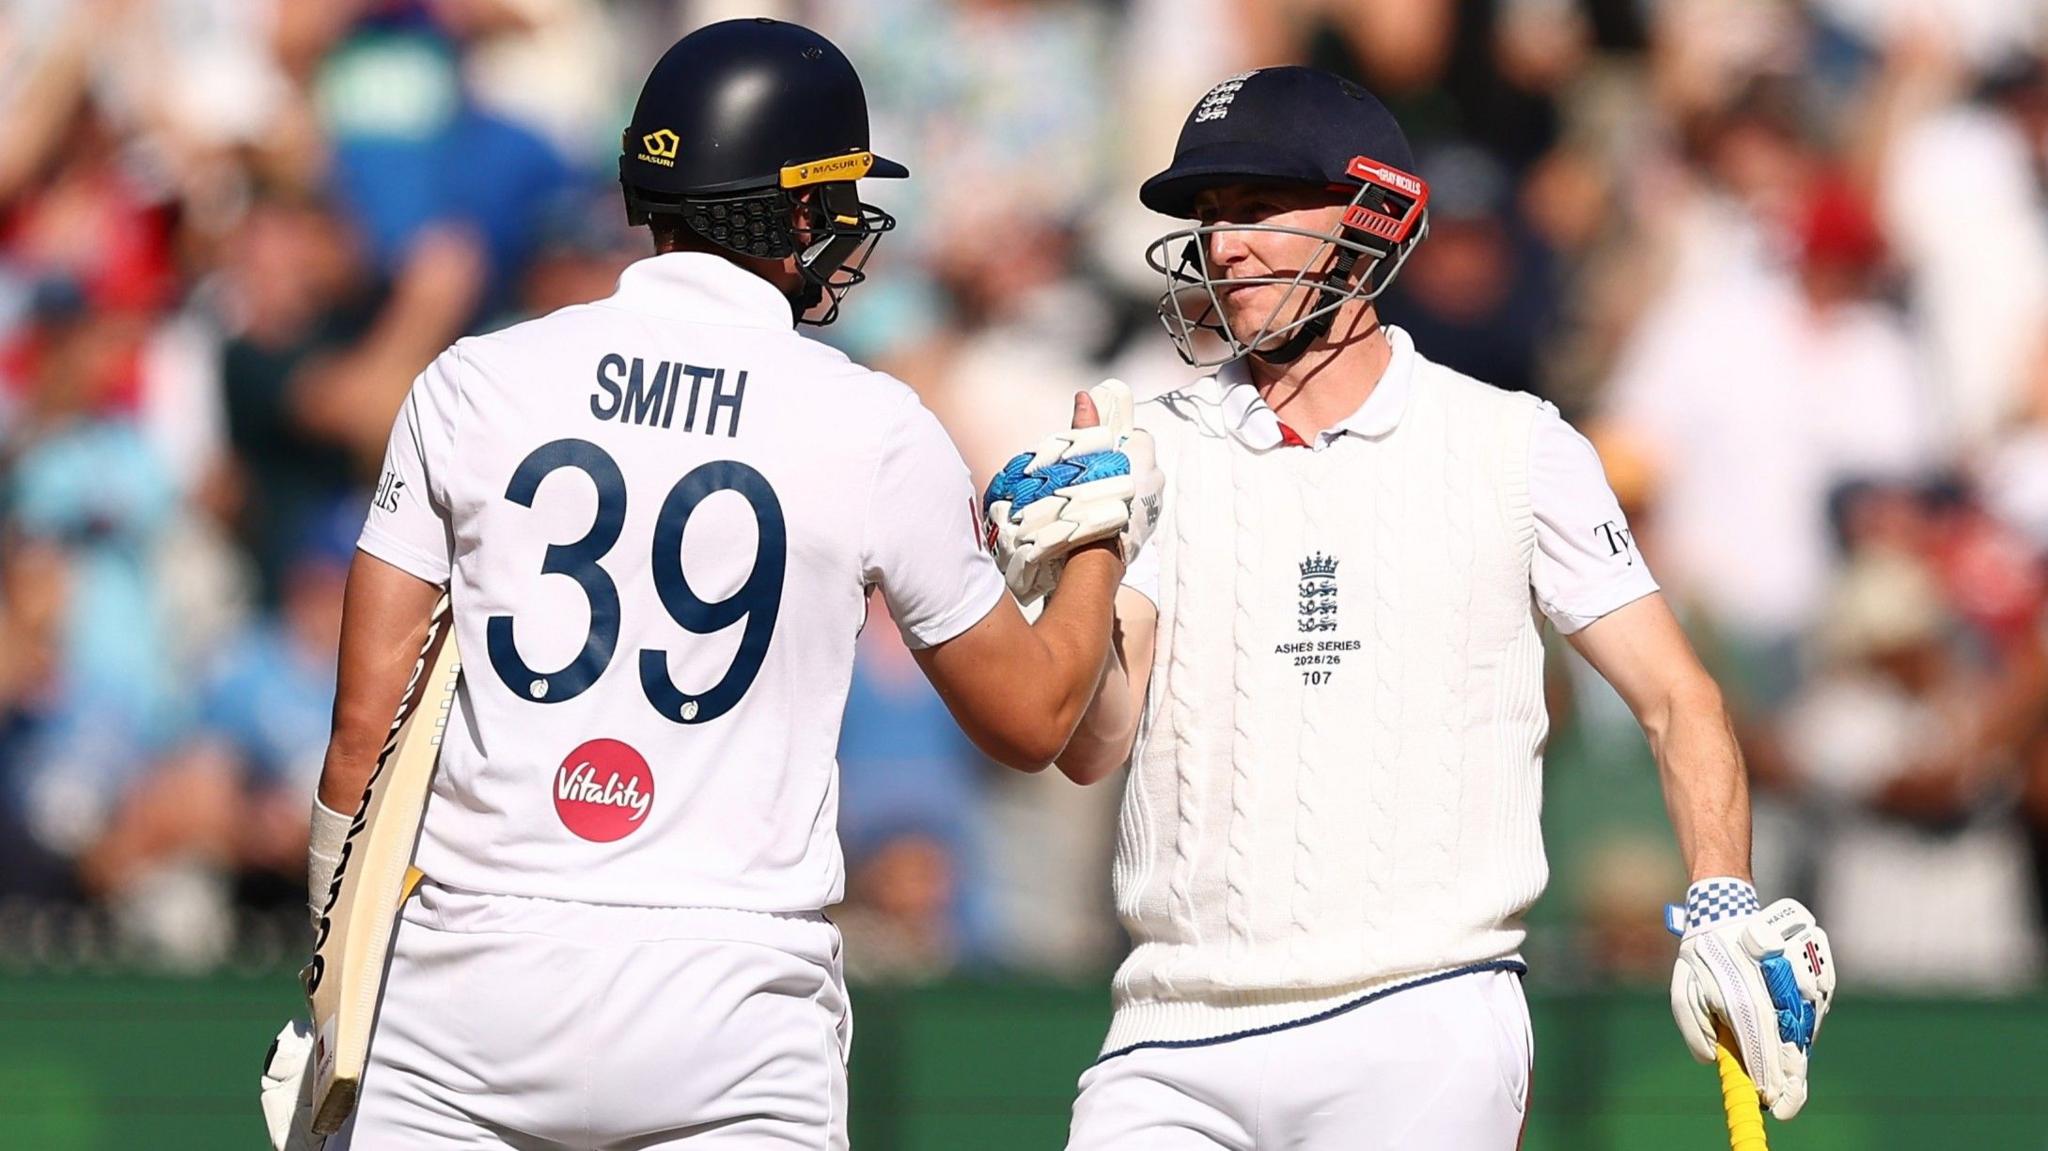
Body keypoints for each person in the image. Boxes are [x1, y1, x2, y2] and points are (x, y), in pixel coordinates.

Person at [261, 18, 1155, 1150]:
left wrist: (333, 980)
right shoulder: (869, 421)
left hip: (472, 981)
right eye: (832, 200)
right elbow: (1031, 719)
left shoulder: (473, 381)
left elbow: (361, 737)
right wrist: (1096, 543)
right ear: (789, 213)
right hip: (730, 998)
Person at [985, 66, 1838, 1150]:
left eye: (1256, 210)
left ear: (1369, 218)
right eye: (1209, 219)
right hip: (1168, 1029)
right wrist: (1088, 559)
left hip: (1420, 1011)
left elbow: (1677, 697)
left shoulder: (1512, 443)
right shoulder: (1152, 448)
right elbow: (1091, 746)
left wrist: (1718, 895)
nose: (1223, 246)